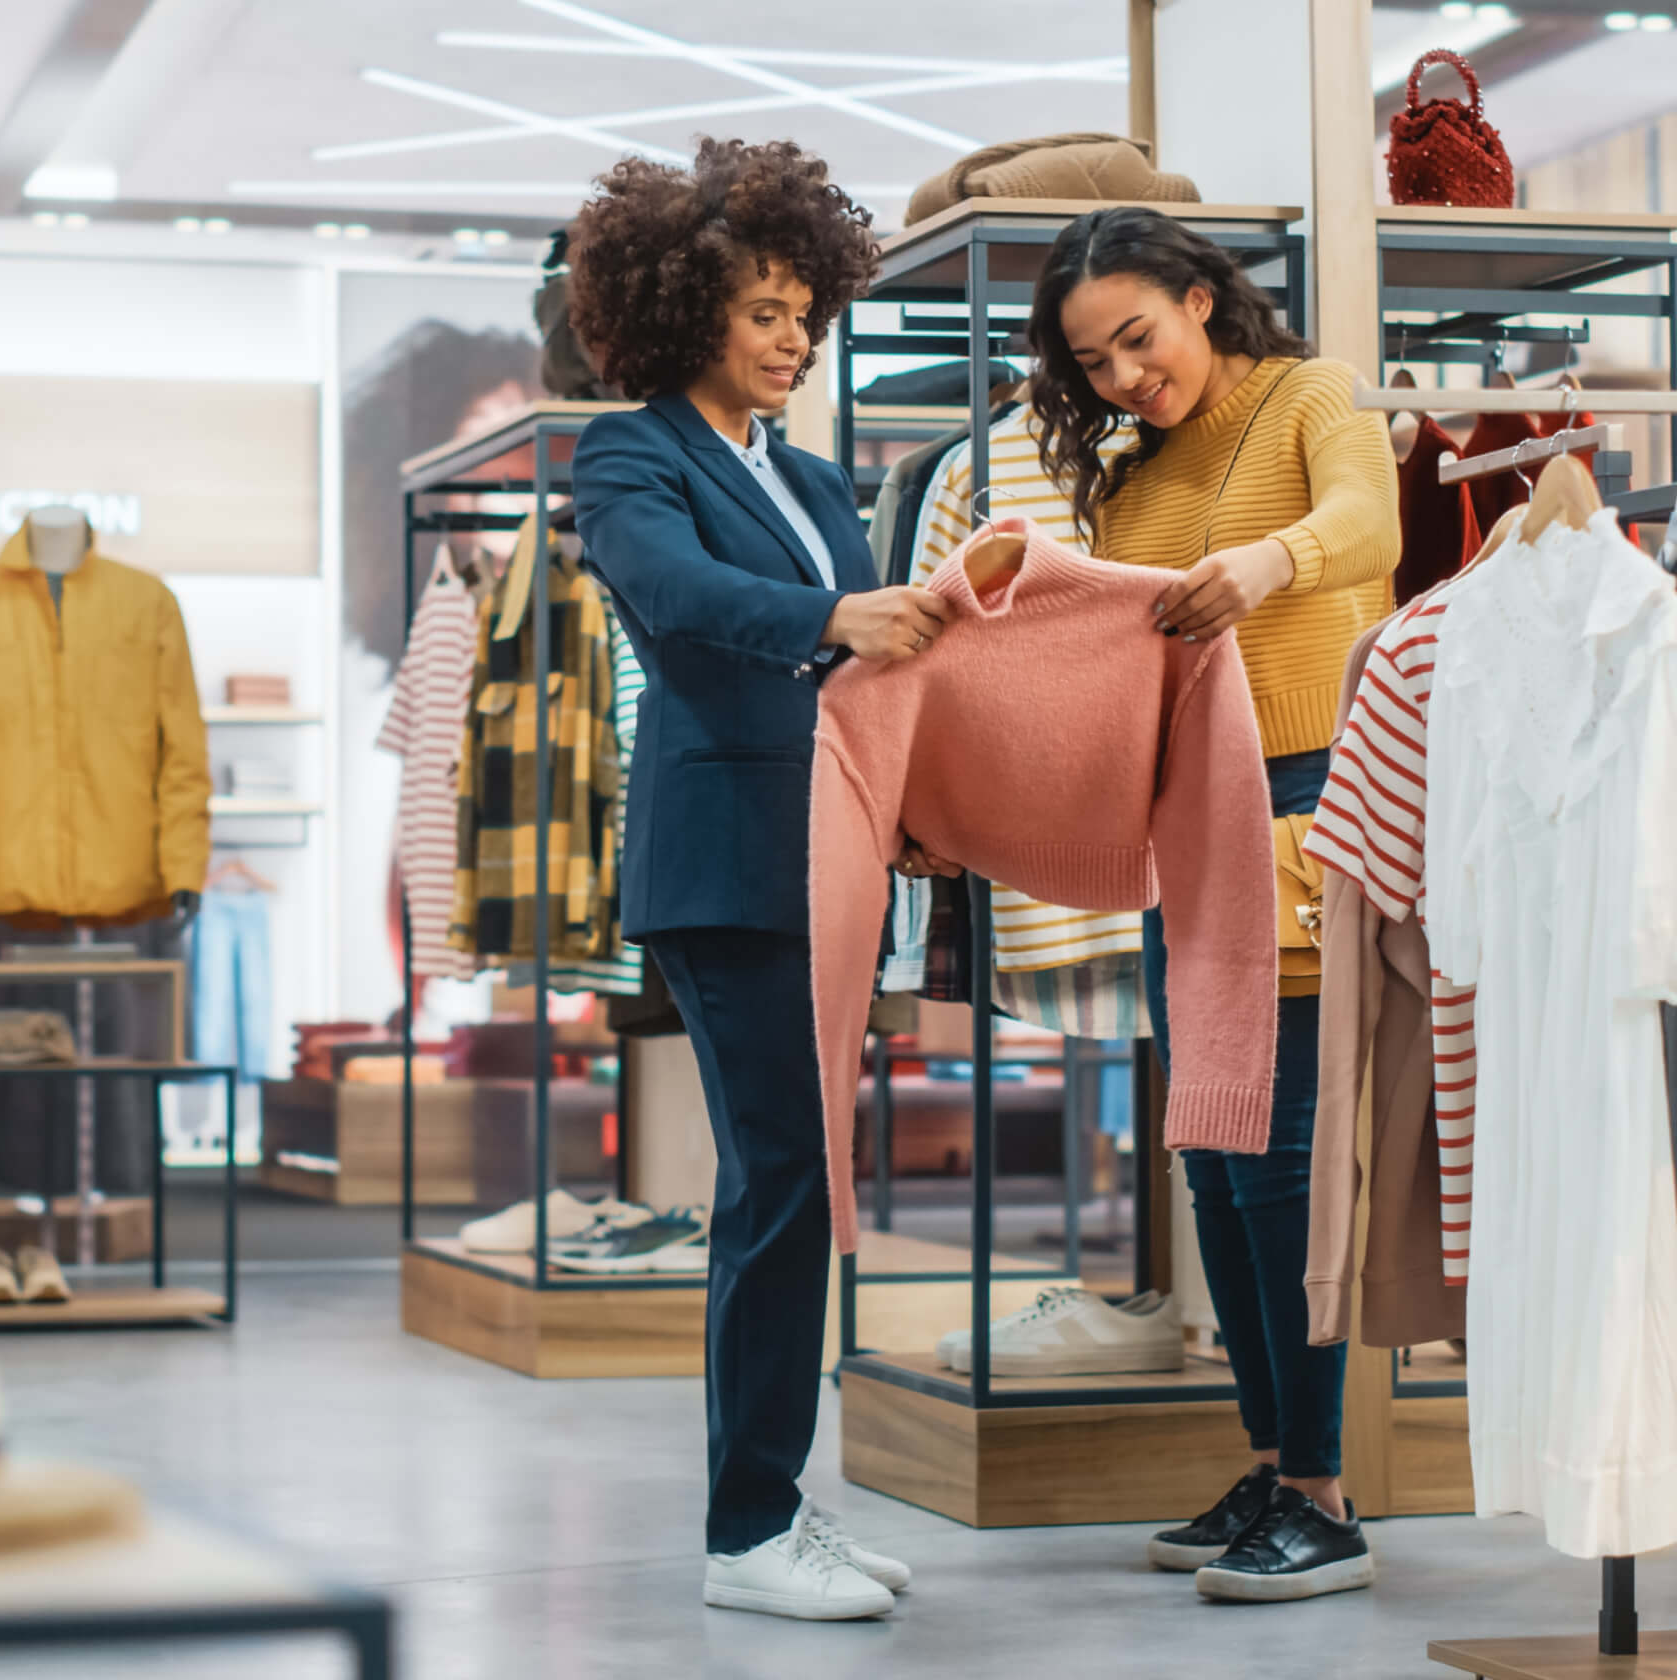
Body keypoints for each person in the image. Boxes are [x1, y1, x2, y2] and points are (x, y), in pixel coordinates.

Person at [562, 137, 952, 1623]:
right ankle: (745, 1533)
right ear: (684, 312)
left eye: (804, 311)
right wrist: (838, 611)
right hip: (726, 866)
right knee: (782, 1179)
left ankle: (783, 1501)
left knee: (807, 1181)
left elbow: (865, 678)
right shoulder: (632, 452)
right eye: (763, 312)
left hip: (832, 856)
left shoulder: (798, 471)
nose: (792, 340)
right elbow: (678, 596)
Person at [1015, 205, 1401, 1601]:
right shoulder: (1134, 471)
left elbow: (1370, 526)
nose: (1124, 375)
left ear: (1199, 298)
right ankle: (1270, 1453)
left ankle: (1322, 1492)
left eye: (1139, 336)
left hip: (1303, 801)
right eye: (1094, 360)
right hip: (1190, 815)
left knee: (1284, 1152)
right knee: (1214, 1153)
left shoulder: (1311, 397)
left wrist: (1265, 564)